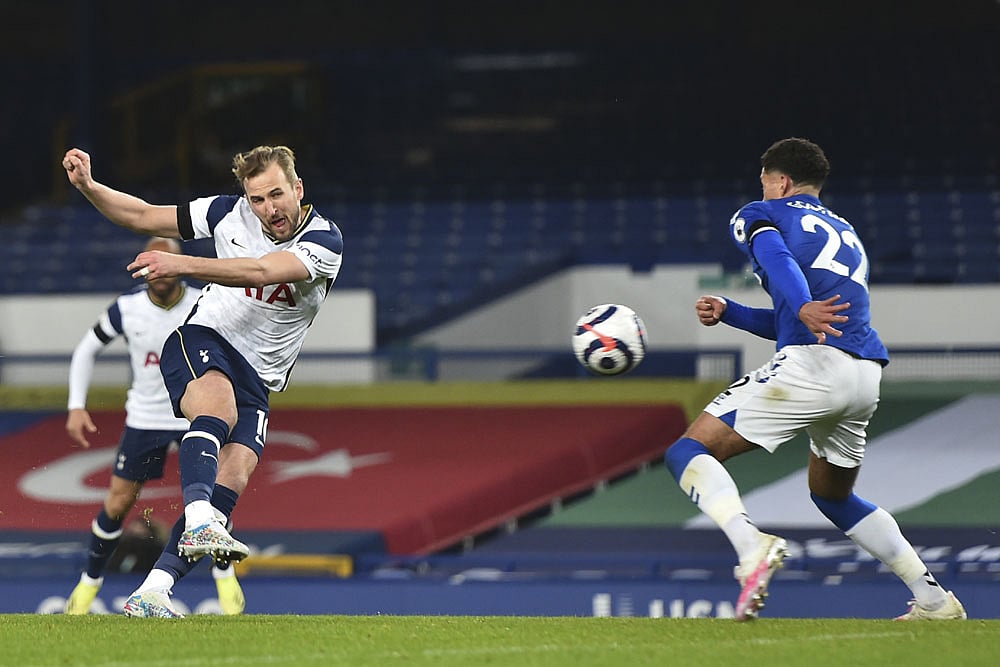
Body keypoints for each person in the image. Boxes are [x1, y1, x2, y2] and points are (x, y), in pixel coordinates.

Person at [664, 138, 966, 621]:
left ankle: (751, 547)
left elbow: (782, 270)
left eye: (764, 178)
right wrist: (730, 311)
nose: (760, 187)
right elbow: (795, 319)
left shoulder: (762, 213)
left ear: (779, 180)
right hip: (863, 375)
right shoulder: (842, 229)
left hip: (813, 367)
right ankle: (934, 601)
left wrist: (801, 302)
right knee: (832, 495)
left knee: (686, 451)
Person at [62, 144, 343, 617]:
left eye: (276, 195)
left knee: (229, 485)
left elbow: (261, 269)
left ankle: (152, 591)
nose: (268, 209)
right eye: (257, 199)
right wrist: (90, 188)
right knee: (218, 414)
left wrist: (183, 263)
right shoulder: (225, 213)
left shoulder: (324, 241)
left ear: (297, 189)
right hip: (202, 339)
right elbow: (144, 216)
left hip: (260, 376)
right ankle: (194, 522)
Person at [63, 237, 245, 616]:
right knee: (117, 503)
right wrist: (76, 405)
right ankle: (89, 584)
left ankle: (224, 576)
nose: (156, 272)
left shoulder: (203, 301)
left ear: (179, 265)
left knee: (214, 492)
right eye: (148, 264)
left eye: (165, 262)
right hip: (145, 418)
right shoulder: (127, 308)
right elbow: (86, 348)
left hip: (195, 412)